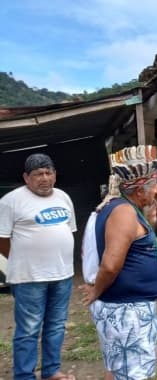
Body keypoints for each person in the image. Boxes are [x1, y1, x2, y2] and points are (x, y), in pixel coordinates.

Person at [80, 145, 157, 380]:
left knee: (118, 370)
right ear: (139, 191)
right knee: (132, 374)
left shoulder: (128, 207)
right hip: (127, 312)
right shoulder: (124, 214)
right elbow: (110, 265)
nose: (155, 190)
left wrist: (155, 202)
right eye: (151, 186)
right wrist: (96, 291)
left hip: (129, 310)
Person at [0, 153, 77, 380]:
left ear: (54, 174)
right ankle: (24, 375)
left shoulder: (63, 197)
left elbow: (69, 230)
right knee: (29, 330)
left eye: (48, 173)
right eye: (37, 174)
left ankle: (51, 371)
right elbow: (2, 239)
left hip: (63, 274)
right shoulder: (11, 201)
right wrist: (20, 259)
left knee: (56, 325)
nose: (44, 178)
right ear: (26, 177)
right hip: (29, 277)